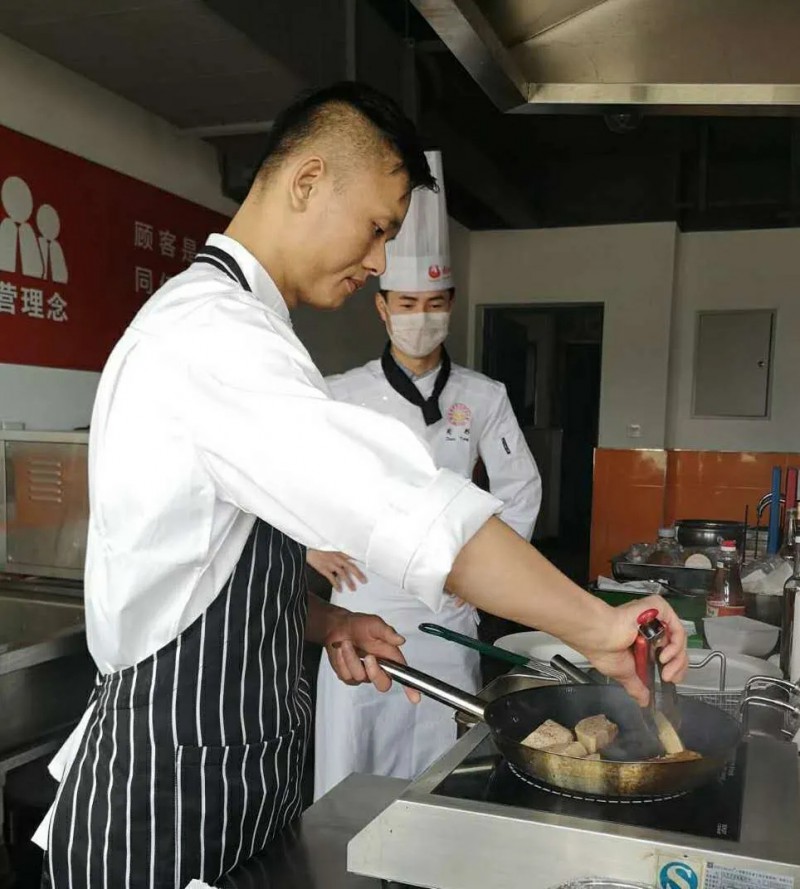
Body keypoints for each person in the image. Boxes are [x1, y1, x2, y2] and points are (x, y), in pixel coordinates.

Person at [35, 81, 687, 889]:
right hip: (166, 809)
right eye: (377, 228)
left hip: (229, 789)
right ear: (308, 181)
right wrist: (598, 627)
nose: (379, 260)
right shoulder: (212, 335)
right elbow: (406, 510)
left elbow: (204, 568)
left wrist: (326, 619)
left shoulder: (242, 328)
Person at [311, 150, 542, 798]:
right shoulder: (341, 393)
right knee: (353, 771)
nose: (422, 315)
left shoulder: (484, 395)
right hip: (362, 603)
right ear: (382, 308)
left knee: (444, 767)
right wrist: (308, 544)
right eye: (408, 302)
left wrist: (487, 576)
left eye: (434, 303)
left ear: (452, 305)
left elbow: (520, 488)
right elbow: (293, 480)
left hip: (448, 609)